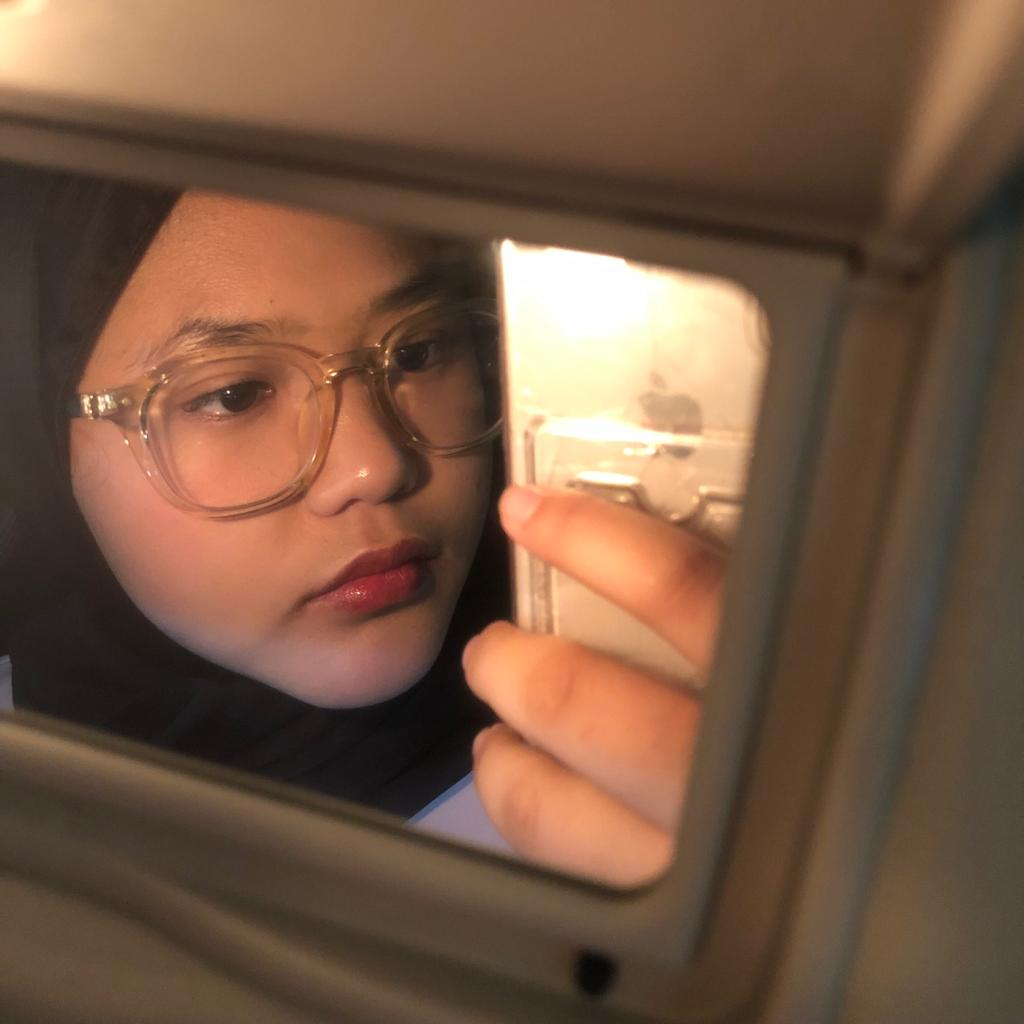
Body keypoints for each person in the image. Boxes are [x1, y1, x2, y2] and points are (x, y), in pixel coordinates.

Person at [0, 171, 724, 886]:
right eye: (233, 394)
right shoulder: (33, 869)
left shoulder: (690, 704)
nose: (375, 467)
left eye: (417, 352)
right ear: (35, 443)